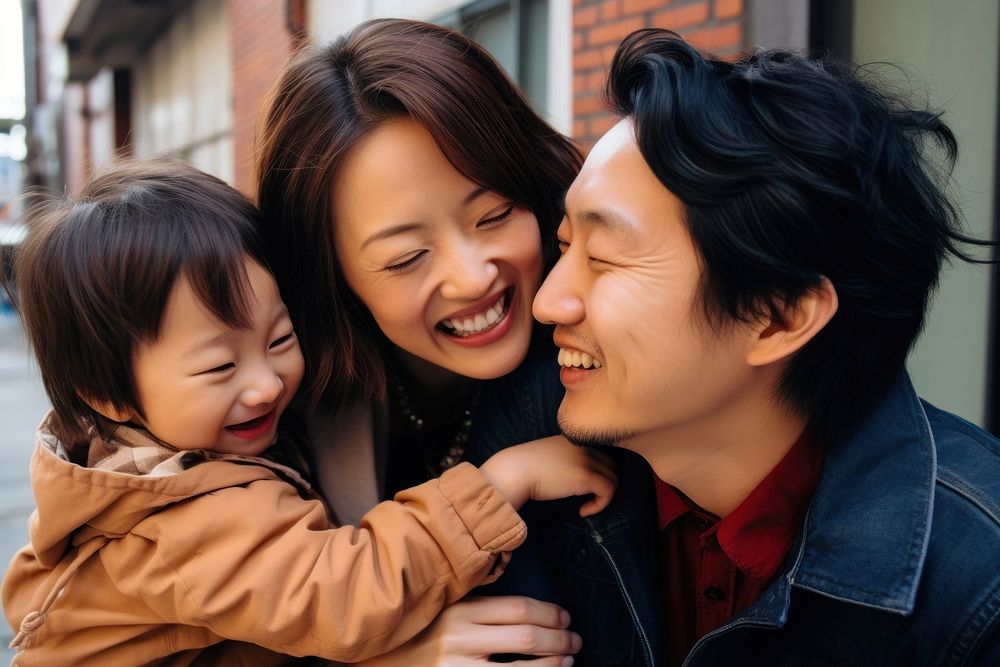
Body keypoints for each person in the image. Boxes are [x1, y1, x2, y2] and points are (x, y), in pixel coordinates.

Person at [493, 29, 1000, 666]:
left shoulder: (978, 587)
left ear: (776, 317)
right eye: (566, 248)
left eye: (605, 257)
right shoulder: (535, 466)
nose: (546, 303)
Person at [0, 157, 616, 665]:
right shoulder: (182, 513)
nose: (266, 384)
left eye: (279, 339)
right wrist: (504, 482)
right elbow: (346, 593)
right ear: (105, 395)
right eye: (219, 367)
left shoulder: (146, 456)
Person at [254, 18, 589, 663]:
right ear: (330, 274)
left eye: (494, 215)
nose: (473, 278)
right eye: (406, 258)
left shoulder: (610, 355)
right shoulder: (262, 408)